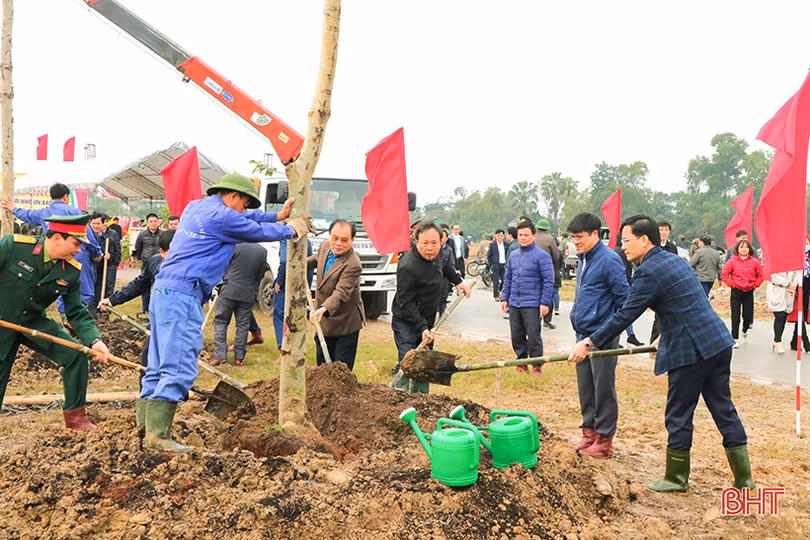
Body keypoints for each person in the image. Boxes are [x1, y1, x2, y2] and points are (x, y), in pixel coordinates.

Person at [568, 215, 754, 493]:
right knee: (723, 408)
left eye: (627, 241)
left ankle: (677, 478)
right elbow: (686, 304)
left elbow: (625, 314)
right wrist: (663, 335)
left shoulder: (648, 271)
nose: (624, 247)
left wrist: (589, 342)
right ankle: (745, 480)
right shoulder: (675, 260)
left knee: (678, 414)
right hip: (717, 342)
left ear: (644, 240)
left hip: (691, 350)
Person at [140, 173, 311, 452]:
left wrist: (277, 215)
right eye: (244, 204)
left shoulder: (196, 207)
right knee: (179, 362)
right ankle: (158, 436)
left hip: (163, 292)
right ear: (233, 196)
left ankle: (144, 428)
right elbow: (254, 231)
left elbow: (247, 221)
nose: (244, 210)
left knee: (158, 363)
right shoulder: (224, 218)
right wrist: (291, 229)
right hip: (183, 295)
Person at [0, 214, 111, 430]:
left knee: (76, 356)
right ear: (58, 238)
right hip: (2, 321)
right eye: (76, 243)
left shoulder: (70, 271)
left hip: (32, 322)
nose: (79, 250)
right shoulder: (14, 247)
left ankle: (76, 418)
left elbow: (76, 311)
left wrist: (94, 340)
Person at [566, 213, 629, 457]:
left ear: (595, 234)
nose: (576, 242)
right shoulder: (583, 259)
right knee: (586, 386)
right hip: (582, 334)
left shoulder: (609, 260)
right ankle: (589, 432)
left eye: (580, 237)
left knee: (603, 387)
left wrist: (604, 332)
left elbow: (624, 301)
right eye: (573, 238)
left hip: (602, 336)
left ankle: (604, 440)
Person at [392, 222, 471, 393]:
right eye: (425, 243)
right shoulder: (407, 266)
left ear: (442, 242)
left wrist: (459, 282)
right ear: (416, 240)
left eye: (434, 243)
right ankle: (402, 399)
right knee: (409, 360)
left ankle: (421, 400)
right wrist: (422, 328)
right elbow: (406, 303)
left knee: (425, 362)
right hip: (406, 320)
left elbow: (447, 268)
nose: (430, 248)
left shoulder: (438, 255)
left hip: (427, 320)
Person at [3, 183, 102, 315]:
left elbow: (27, 215)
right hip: (78, 256)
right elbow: (87, 236)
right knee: (84, 289)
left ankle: (63, 316)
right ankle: (84, 316)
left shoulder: (44, 212)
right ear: (66, 197)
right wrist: (97, 253)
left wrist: (13, 208)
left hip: (54, 255)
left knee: (60, 285)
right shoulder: (75, 212)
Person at [99, 230, 175, 394]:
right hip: (156, 322)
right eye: (172, 252)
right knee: (147, 362)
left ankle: (169, 398)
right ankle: (146, 396)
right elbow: (140, 284)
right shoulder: (155, 262)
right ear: (162, 252)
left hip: (179, 324)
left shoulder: (190, 266)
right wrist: (113, 299)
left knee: (173, 365)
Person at [308, 220, 365, 370]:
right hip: (324, 320)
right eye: (335, 238)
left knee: (340, 370)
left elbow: (341, 292)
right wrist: (298, 263)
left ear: (352, 240)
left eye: (344, 240)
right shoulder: (325, 246)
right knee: (322, 366)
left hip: (345, 322)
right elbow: (316, 260)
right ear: (329, 236)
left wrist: (323, 308)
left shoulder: (353, 264)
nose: (338, 243)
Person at [500, 220, 553, 376]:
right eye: (520, 235)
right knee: (517, 334)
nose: (522, 238)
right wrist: (505, 298)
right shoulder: (514, 255)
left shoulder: (542, 256)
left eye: (526, 235)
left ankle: (536, 364)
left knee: (533, 334)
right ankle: (521, 362)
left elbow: (548, 281)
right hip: (515, 302)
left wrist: (544, 302)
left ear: (534, 236)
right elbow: (508, 278)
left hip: (533, 303)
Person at [211, 243, 268, 367]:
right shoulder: (262, 251)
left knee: (221, 322)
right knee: (243, 325)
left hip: (228, 290)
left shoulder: (233, 246)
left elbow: (222, 265)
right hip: (248, 293)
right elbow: (262, 273)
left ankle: (220, 356)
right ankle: (239, 358)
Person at [271, 238, 313, 362]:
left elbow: (284, 261)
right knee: (297, 317)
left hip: (289, 281)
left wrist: (280, 280)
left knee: (280, 315)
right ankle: (296, 350)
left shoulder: (286, 238)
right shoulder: (307, 240)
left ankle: (283, 351)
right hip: (303, 281)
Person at [721, 240, 763, 348]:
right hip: (736, 291)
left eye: (746, 247)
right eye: (741, 247)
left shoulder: (755, 262)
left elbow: (760, 275)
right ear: (737, 249)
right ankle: (734, 338)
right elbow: (724, 275)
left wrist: (755, 285)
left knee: (748, 316)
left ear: (749, 249)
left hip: (749, 291)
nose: (744, 249)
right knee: (735, 316)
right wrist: (732, 284)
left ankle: (745, 330)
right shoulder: (732, 261)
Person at [649, 221, 679, 346]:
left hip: (670, 282)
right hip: (657, 282)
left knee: (665, 314)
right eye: (661, 230)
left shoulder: (672, 247)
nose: (663, 232)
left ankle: (661, 343)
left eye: (666, 230)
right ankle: (655, 342)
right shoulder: (653, 246)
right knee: (658, 315)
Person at [613, 244, 644, 347]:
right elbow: (622, 271)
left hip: (624, 285)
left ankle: (629, 335)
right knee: (623, 312)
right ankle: (618, 338)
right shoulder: (619, 252)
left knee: (623, 312)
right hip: (622, 286)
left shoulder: (620, 251)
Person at [534, 219, 562, 329]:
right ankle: (547, 320)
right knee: (548, 295)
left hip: (533, 271)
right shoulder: (550, 239)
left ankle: (535, 319)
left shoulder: (533, 237)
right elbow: (556, 255)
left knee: (535, 295)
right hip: (547, 270)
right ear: (547, 229)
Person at [766, 270, 800, 354]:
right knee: (779, 315)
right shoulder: (775, 260)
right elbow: (773, 276)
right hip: (777, 290)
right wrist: (787, 283)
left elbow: (797, 273)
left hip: (789, 292)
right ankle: (778, 341)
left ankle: (776, 338)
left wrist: (794, 284)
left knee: (784, 315)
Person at [91, 213, 121, 307]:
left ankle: (104, 308)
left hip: (107, 266)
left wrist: (110, 258)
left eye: (98, 223)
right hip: (93, 266)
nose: (95, 226)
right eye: (93, 223)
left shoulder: (110, 236)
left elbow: (116, 251)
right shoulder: (88, 236)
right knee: (94, 287)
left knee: (107, 287)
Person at [134, 213, 161, 314]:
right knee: (145, 285)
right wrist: (141, 259)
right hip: (147, 263)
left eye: (155, 221)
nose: (153, 223)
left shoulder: (162, 234)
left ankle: (157, 307)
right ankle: (145, 308)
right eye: (151, 221)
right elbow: (138, 248)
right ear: (147, 223)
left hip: (159, 264)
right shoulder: (142, 235)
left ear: (158, 222)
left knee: (157, 285)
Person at [788, 236, 810, 353]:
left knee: (803, 315)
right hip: (797, 287)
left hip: (807, 288)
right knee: (799, 314)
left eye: (806, 243)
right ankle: (806, 342)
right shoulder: (793, 257)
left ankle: (794, 341)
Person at [487, 229, 507, 300]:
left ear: (504, 236)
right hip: (496, 265)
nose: (500, 237)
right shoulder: (492, 245)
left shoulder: (506, 245)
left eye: (501, 236)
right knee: (495, 281)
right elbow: (489, 256)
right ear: (495, 236)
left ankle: (502, 293)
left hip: (504, 265)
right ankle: (496, 296)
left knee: (504, 280)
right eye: (498, 236)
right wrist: (491, 265)